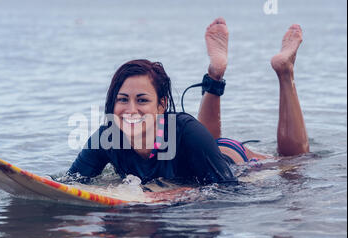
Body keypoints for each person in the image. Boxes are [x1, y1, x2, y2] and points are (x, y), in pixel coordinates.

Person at [67, 17, 309, 185]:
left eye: (142, 100)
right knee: (204, 140)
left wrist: (173, 195)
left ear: (161, 105)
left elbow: (229, 190)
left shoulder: (185, 129)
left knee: (294, 163)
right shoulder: (107, 138)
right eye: (122, 99)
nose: (131, 110)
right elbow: (70, 182)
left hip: (234, 161)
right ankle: (215, 73)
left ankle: (284, 71)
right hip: (202, 149)